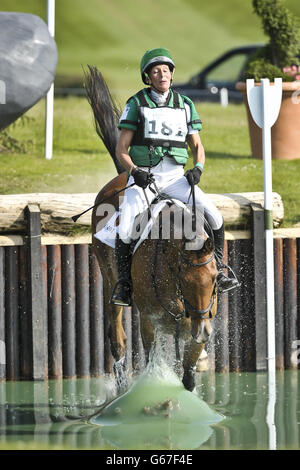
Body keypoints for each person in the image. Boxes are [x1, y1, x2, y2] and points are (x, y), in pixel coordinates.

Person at [110, 47, 239, 306]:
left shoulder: (185, 104)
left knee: (214, 216)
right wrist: (135, 172)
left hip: (176, 177)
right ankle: (124, 284)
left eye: (166, 70)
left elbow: (197, 146)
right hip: (145, 178)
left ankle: (221, 269)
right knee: (124, 229)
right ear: (147, 76)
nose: (162, 75)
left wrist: (198, 168)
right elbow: (121, 150)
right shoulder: (136, 104)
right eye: (156, 71)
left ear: (171, 74)